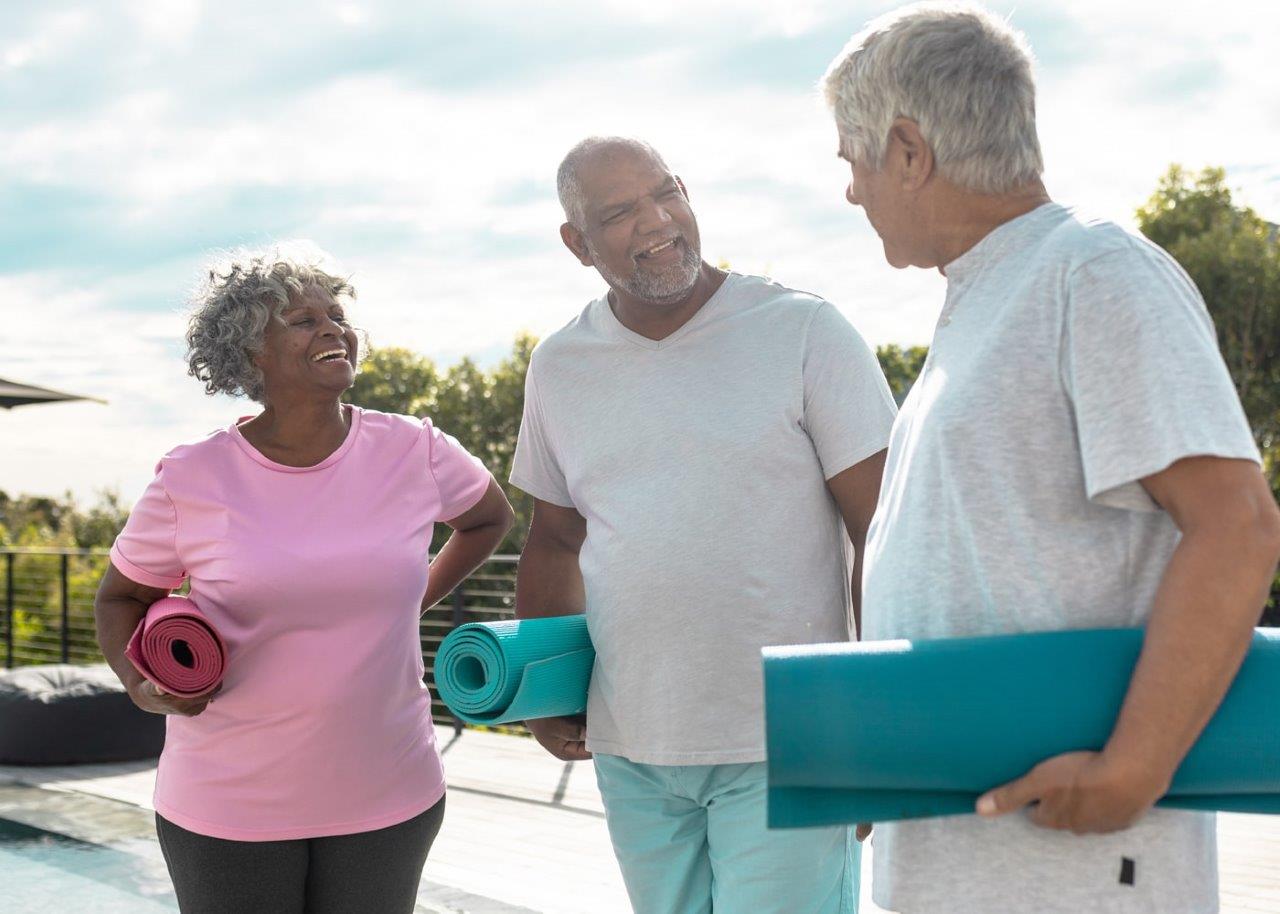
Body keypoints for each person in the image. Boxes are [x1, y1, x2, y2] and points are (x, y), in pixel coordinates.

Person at [821, 5, 1280, 912]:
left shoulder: (1094, 271)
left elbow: (1237, 521)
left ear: (910, 152)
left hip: (1072, 872)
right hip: (967, 865)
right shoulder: (984, 304)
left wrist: (1135, 766)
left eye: (853, 159)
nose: (850, 191)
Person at [509, 136, 898, 913]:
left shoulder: (803, 330)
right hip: (631, 744)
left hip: (789, 741)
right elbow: (554, 538)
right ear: (576, 243)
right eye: (620, 211)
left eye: (667, 192)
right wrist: (542, 692)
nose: (658, 221)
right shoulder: (560, 365)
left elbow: (884, 529)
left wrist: (872, 725)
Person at [94, 246, 514, 914]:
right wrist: (135, 683)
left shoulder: (415, 449)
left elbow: (490, 518)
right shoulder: (192, 477)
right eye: (301, 319)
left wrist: (413, 599)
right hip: (227, 803)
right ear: (250, 351)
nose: (332, 329)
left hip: (389, 790)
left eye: (337, 314)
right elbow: (121, 596)